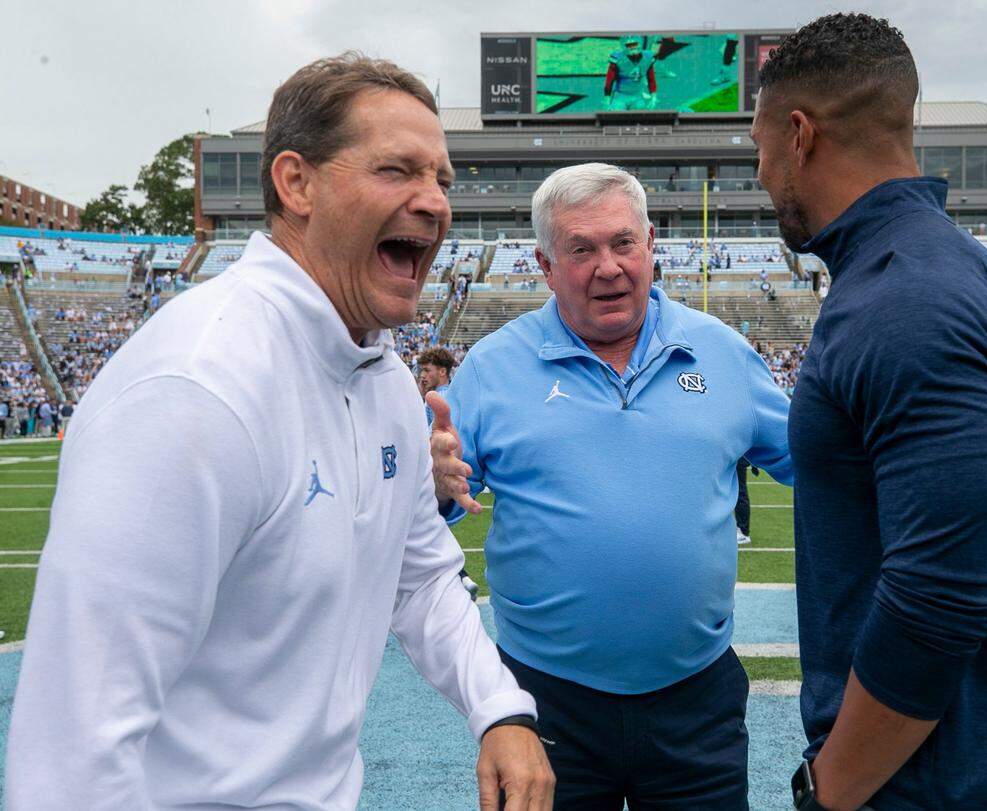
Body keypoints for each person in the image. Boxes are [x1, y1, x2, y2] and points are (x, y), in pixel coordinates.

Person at [6, 53, 553, 811]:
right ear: (295, 183)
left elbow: (421, 574)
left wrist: (501, 708)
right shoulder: (198, 387)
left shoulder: (386, 378)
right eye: (398, 170)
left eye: (443, 180)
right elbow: (73, 750)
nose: (434, 203)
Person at [751, 14, 987, 810]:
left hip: (947, 785)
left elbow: (940, 597)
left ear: (799, 135)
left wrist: (830, 788)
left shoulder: (903, 301)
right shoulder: (964, 273)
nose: (762, 173)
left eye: (760, 147)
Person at [428, 163, 793, 809]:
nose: (608, 266)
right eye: (581, 249)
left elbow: (819, 461)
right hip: (547, 699)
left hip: (696, 697)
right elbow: (436, 500)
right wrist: (434, 483)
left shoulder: (722, 352)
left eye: (623, 242)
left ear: (651, 243)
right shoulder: (493, 365)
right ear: (544, 264)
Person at [417, 346, 478, 602]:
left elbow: (432, 439)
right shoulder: (446, 395)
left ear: (442, 372)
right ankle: (461, 576)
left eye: (427, 370)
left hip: (432, 473)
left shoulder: (438, 398)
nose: (422, 375)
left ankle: (456, 578)